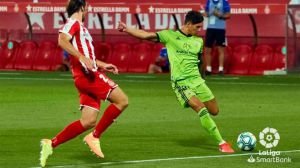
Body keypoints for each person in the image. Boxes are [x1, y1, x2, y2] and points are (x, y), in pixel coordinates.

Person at [118, 10, 234, 153]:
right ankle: (222, 143)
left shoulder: (198, 41)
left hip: (197, 81)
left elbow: (201, 61)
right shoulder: (170, 36)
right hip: (181, 82)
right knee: (201, 109)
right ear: (189, 24)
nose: (200, 30)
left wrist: (202, 78)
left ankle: (209, 123)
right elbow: (146, 35)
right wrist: (127, 29)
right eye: (197, 27)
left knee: (214, 111)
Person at [39, 0, 129, 167]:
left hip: (85, 76)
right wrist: (81, 57)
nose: (88, 11)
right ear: (82, 7)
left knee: (88, 121)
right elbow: (62, 40)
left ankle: (50, 144)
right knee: (122, 100)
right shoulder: (73, 23)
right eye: (87, 8)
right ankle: (94, 137)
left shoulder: (81, 28)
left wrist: (103, 65)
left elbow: (88, 57)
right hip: (88, 77)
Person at [203, 0, 231, 75]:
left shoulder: (224, 2)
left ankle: (221, 69)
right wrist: (209, 13)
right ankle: (208, 69)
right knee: (207, 49)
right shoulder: (209, 1)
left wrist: (219, 15)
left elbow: (228, 15)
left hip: (220, 29)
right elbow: (205, 13)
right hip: (210, 28)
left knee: (221, 49)